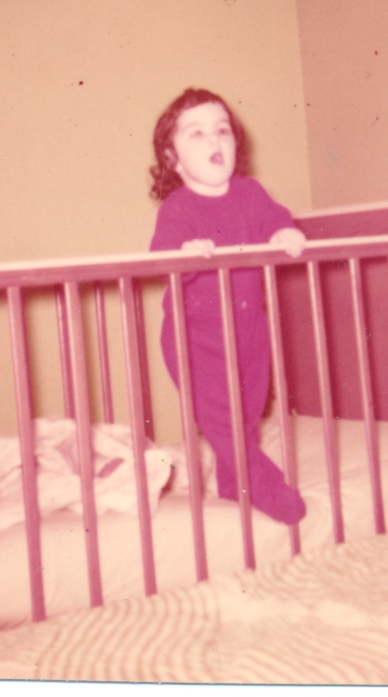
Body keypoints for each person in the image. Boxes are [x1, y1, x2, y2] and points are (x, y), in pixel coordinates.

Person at [149, 88, 307, 525]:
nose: (214, 140)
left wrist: (283, 233)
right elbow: (161, 256)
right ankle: (264, 483)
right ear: (173, 159)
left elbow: (277, 218)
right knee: (223, 421)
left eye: (222, 131)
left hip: (250, 330)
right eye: (196, 134)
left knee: (249, 412)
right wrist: (184, 252)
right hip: (194, 339)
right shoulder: (177, 209)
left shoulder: (251, 193)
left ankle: (232, 484)